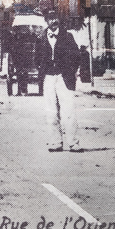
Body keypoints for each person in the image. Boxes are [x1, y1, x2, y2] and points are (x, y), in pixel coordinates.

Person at [35, 17, 82, 152]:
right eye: (50, 18)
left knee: (68, 110)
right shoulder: (41, 38)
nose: (54, 20)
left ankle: (73, 143)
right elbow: (37, 59)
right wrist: (43, 71)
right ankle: (56, 143)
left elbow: (76, 56)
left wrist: (70, 71)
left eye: (56, 17)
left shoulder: (67, 36)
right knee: (51, 111)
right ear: (46, 21)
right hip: (48, 77)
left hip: (64, 77)